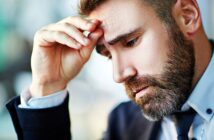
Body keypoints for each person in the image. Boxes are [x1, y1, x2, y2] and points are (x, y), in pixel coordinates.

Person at [6, 0, 214, 139]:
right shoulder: (123, 124)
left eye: (131, 42)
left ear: (187, 17)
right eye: (107, 55)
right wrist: (47, 85)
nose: (119, 74)